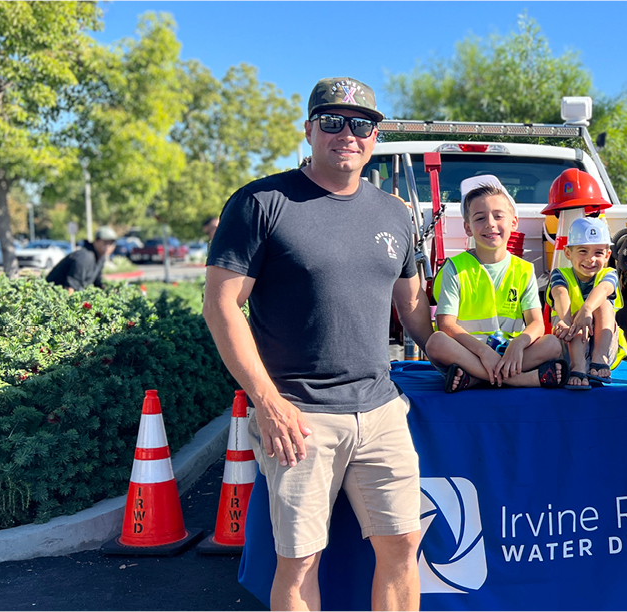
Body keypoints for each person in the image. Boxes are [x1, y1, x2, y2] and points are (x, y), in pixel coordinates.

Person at [202, 77, 433, 611]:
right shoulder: (261, 202)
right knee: (300, 559)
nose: (346, 134)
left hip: (380, 411)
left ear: (376, 134)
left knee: (402, 545)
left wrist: (485, 353)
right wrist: (268, 402)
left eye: (361, 124)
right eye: (331, 122)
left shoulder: (395, 214)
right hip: (298, 416)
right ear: (308, 129)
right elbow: (221, 306)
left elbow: (416, 315)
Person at [425, 175, 567, 392]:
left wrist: (518, 345)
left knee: (552, 344)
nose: (490, 224)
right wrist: (483, 352)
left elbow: (537, 323)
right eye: (480, 218)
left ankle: (475, 380)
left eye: (498, 216)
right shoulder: (455, 267)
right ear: (468, 227)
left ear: (513, 222)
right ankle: (520, 380)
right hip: (470, 354)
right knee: (436, 342)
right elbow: (445, 324)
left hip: (512, 355)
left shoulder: (524, 270)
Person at [547, 216, 627, 389]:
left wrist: (587, 310)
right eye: (583, 251)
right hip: (567, 344)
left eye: (598, 253)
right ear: (568, 253)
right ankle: (578, 365)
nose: (590, 259)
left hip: (604, 350)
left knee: (603, 303)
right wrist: (568, 320)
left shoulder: (609, 274)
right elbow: (559, 293)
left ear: (607, 255)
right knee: (573, 316)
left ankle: (599, 358)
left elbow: (604, 289)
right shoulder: (559, 274)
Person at [45, 226, 117, 293]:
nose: (108, 246)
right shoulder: (85, 257)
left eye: (111, 243)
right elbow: (70, 287)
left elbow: (97, 284)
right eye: (105, 242)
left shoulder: (101, 258)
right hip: (51, 296)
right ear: (96, 241)